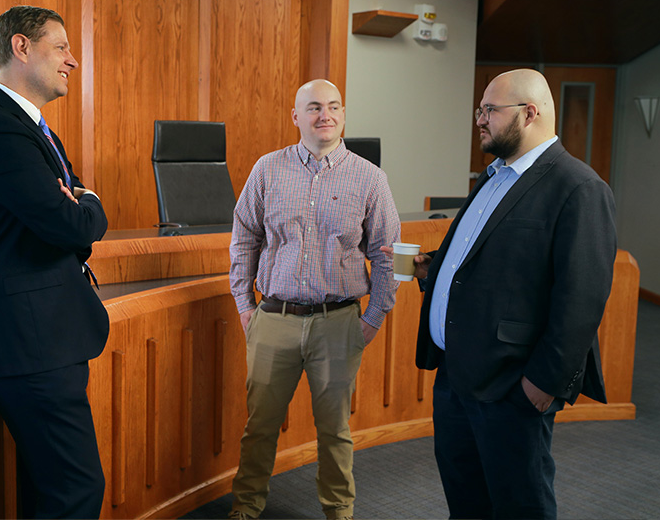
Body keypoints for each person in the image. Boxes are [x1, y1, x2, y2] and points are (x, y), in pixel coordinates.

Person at [411, 68, 616, 519]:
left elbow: (581, 300)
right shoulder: (493, 176)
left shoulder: (578, 188)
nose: (479, 119)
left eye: (489, 110)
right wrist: (435, 268)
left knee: (520, 507)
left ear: (529, 113)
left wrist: (542, 385)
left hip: (512, 386)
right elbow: (487, 258)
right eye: (480, 110)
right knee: (466, 504)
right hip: (457, 376)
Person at [0, 5, 109, 519]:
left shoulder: (27, 124)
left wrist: (75, 203)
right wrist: (88, 202)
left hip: (41, 338)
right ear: (21, 47)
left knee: (48, 493)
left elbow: (67, 213)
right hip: (27, 345)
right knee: (75, 492)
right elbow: (73, 224)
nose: (73, 61)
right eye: (61, 47)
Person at [228, 79, 401, 520]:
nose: (325, 115)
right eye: (314, 107)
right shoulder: (267, 169)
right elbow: (244, 239)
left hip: (338, 322)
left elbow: (385, 254)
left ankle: (339, 511)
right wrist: (245, 306)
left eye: (333, 107)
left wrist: (375, 316)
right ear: (296, 117)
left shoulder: (369, 178)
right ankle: (245, 509)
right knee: (259, 427)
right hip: (274, 317)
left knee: (335, 430)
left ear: (343, 116)